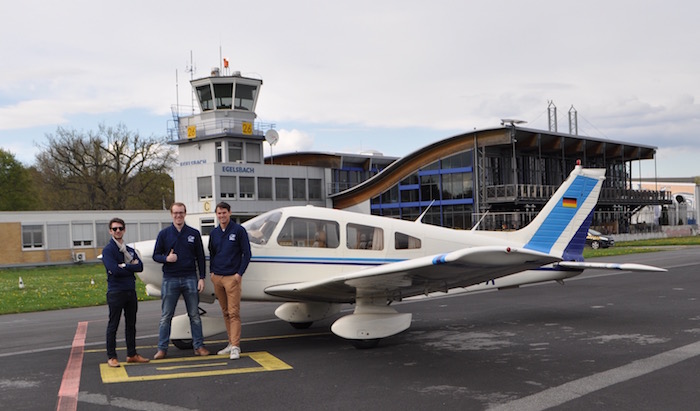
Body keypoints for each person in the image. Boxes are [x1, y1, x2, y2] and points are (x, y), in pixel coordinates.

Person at [152, 202, 210, 359]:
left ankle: (198, 346)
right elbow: (155, 255)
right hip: (170, 279)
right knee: (166, 316)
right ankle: (162, 348)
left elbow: (200, 257)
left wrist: (202, 278)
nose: (178, 215)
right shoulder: (164, 234)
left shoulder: (194, 233)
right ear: (171, 214)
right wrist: (167, 258)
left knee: (194, 315)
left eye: (181, 212)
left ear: (185, 214)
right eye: (175, 213)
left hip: (190, 278)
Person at [102, 218, 149, 367]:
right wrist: (129, 266)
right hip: (115, 292)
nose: (118, 231)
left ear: (124, 230)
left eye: (120, 228)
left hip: (130, 291)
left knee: (131, 324)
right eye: (114, 229)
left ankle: (132, 354)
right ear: (110, 231)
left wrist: (124, 266)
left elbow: (140, 267)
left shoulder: (129, 250)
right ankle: (112, 356)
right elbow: (113, 270)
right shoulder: (108, 250)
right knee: (113, 324)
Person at [208, 202, 251, 360]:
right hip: (217, 277)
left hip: (232, 277)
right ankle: (230, 343)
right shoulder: (214, 233)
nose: (222, 216)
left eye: (224, 213)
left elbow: (247, 254)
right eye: (219, 213)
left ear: (230, 213)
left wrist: (239, 274)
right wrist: (212, 273)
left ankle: (235, 346)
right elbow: (212, 253)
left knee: (234, 313)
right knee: (225, 312)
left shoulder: (239, 231)